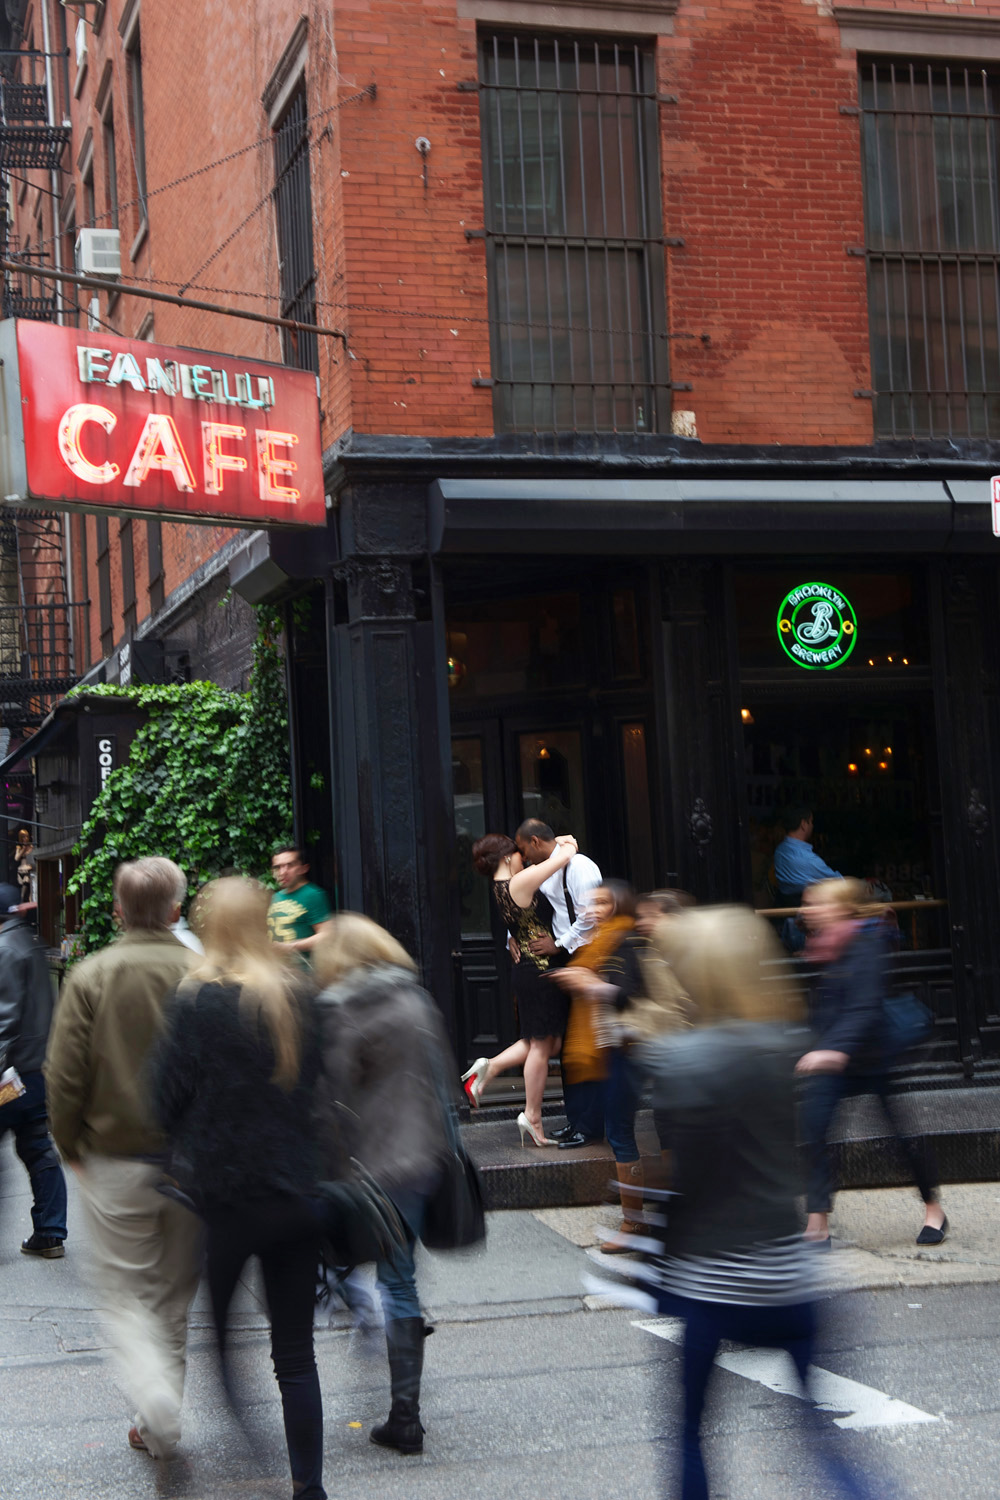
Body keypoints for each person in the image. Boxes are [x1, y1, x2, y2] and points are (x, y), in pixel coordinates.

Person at [641, 905, 879, 1500]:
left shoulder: (682, 1060)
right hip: (791, 1273)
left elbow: (687, 1182)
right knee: (821, 1439)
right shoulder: (785, 1045)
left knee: (692, 1438)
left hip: (715, 1280)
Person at [153, 876, 327, 1500]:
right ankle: (309, 1485)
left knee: (224, 1344)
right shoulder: (298, 995)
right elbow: (320, 1094)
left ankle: (249, 1442)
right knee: (296, 1357)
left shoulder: (196, 1001)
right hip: (296, 1192)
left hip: (226, 1198)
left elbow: (165, 1098)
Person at [44, 857, 201, 1461]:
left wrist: (69, 1146)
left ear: (117, 910)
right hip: (191, 1161)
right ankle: (159, 1419)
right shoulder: (202, 970)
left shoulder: (91, 975)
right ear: (175, 910)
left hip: (113, 1157)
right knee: (172, 1296)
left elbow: (65, 1075)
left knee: (125, 1293)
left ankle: (157, 1403)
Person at [313, 913, 454, 1456]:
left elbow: (331, 1096)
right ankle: (405, 1413)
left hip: (371, 1166)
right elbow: (439, 1077)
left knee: (383, 1279)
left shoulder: (341, 1009)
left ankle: (405, 1417)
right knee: (401, 1279)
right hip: (420, 1160)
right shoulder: (415, 1000)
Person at [797, 876, 946, 1247]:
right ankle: (817, 1223)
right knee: (815, 1131)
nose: (807, 910)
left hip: (873, 1055)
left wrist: (835, 1050)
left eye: (817, 903)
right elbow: (831, 1006)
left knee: (898, 1137)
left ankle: (934, 1210)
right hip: (835, 1058)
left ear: (842, 908)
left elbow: (864, 1006)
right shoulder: (826, 945)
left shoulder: (868, 944)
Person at [551, 880, 652, 1245]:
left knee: (621, 1133)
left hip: (626, 1048)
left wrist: (587, 983)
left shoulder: (623, 940)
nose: (592, 909)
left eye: (602, 903)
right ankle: (634, 1199)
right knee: (620, 1132)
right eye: (591, 902)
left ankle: (634, 1221)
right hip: (613, 1046)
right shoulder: (603, 939)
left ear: (619, 905)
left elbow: (629, 993)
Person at [465, 833, 578, 1147]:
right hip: (537, 972)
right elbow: (561, 858)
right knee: (543, 1047)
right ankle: (532, 1116)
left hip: (529, 972)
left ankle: (491, 1067)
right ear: (505, 857)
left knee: (543, 1042)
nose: (523, 857)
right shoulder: (519, 881)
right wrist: (567, 842)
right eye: (517, 852)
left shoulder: (501, 887)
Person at [515, 818, 604, 1143]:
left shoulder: (580, 868)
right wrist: (514, 935)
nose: (523, 857)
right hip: (568, 958)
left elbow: (590, 917)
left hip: (587, 956)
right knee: (569, 1047)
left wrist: (559, 943)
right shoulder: (552, 864)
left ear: (536, 841)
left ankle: (591, 1125)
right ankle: (577, 1121)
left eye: (524, 849)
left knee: (586, 1045)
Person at [0, 882, 67, 1258]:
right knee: (38, 1147)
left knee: (35, 1147)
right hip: (35, 1070)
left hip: (10, 1076)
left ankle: (50, 1229)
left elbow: (4, 1021)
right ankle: (51, 1231)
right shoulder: (31, 945)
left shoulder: (6, 949)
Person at [268, 846, 334, 964]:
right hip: (278, 972)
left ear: (303, 868)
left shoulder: (313, 895)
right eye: (278, 867)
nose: (283, 872)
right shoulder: (276, 896)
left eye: (290, 865)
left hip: (305, 976)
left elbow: (327, 936)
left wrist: (291, 946)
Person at [773, 807, 841, 903]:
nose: (812, 826)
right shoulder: (806, 858)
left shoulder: (779, 851)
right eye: (811, 821)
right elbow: (839, 883)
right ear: (804, 824)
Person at [14, 827, 34, 905]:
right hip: (21, 870)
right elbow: (16, 858)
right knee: (23, 886)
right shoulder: (19, 847)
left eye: (26, 837)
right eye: (23, 837)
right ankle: (22, 900)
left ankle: (25, 900)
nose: (25, 839)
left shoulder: (31, 847)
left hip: (29, 869)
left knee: (27, 885)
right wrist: (23, 849)